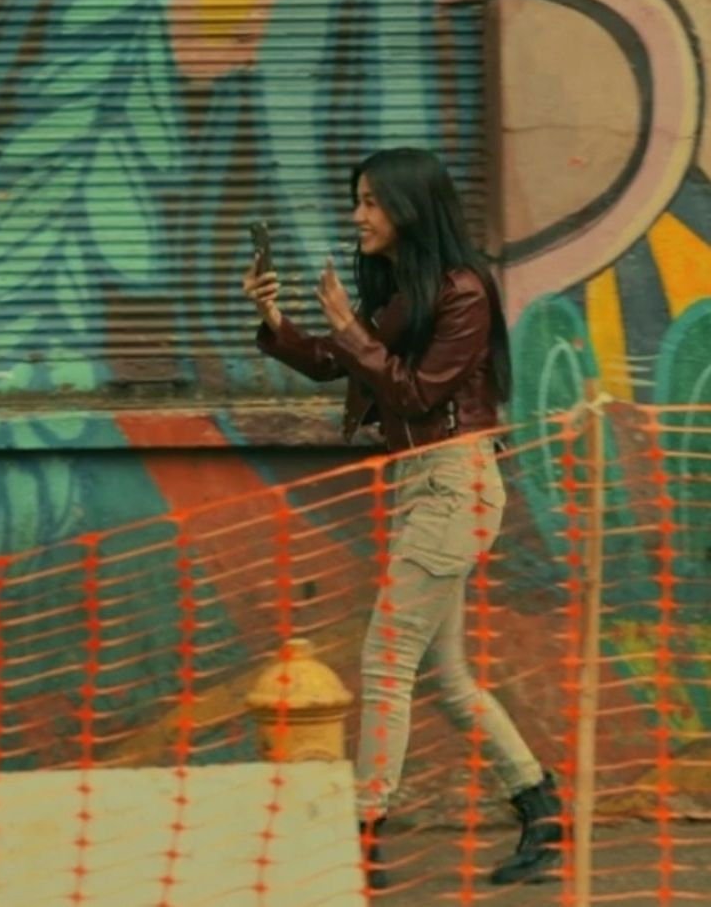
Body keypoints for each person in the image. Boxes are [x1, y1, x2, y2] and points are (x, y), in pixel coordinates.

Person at [241, 147, 562, 889]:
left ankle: (361, 835)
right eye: (357, 200)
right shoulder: (408, 291)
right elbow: (332, 361)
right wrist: (273, 315)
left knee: (386, 662)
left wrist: (351, 330)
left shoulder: (463, 291)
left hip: (454, 483)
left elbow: (416, 392)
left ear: (410, 208)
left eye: (370, 202)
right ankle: (540, 809)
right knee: (444, 674)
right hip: (424, 485)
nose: (358, 215)